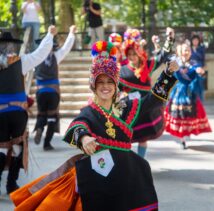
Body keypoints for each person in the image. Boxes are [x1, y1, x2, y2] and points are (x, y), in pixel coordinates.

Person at [10, 40, 179, 210]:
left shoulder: (127, 107)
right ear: (93, 86)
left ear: (116, 85)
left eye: (109, 82)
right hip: (98, 172)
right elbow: (78, 126)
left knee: (141, 175)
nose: (105, 87)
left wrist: (167, 74)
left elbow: (153, 100)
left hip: (125, 172)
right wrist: (84, 139)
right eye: (101, 82)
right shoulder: (90, 111)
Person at [0, 25, 57, 195]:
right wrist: (49, 35)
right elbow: (40, 53)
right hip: (18, 113)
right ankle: (11, 184)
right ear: (12, 46)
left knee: (1, 148)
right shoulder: (21, 61)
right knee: (18, 148)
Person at [118, 27, 175, 158]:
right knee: (127, 136)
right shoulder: (122, 70)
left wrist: (170, 39)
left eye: (134, 54)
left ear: (139, 53)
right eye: (129, 54)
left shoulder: (147, 65)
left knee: (143, 137)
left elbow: (162, 56)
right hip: (130, 108)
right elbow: (117, 90)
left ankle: (141, 161)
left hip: (147, 106)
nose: (132, 57)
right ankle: (129, 163)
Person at [33, 25, 76, 151]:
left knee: (41, 114)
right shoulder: (56, 56)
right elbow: (67, 47)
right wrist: (71, 33)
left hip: (40, 91)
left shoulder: (36, 58)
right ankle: (47, 143)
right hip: (53, 92)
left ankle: (40, 127)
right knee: (52, 116)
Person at [164, 41, 212, 149]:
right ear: (180, 52)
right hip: (179, 93)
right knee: (179, 115)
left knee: (189, 116)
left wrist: (201, 73)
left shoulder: (194, 63)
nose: (187, 52)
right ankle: (182, 139)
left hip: (191, 93)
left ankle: (184, 136)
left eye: (188, 50)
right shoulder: (176, 64)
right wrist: (178, 71)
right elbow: (182, 79)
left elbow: (198, 76)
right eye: (185, 50)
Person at [190, 34, 206, 101]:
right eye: (194, 40)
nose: (195, 41)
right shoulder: (189, 49)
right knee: (192, 85)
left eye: (197, 40)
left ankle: (200, 101)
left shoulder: (201, 49)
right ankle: (192, 100)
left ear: (199, 41)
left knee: (200, 85)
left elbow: (203, 59)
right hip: (191, 69)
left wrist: (203, 68)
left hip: (199, 69)